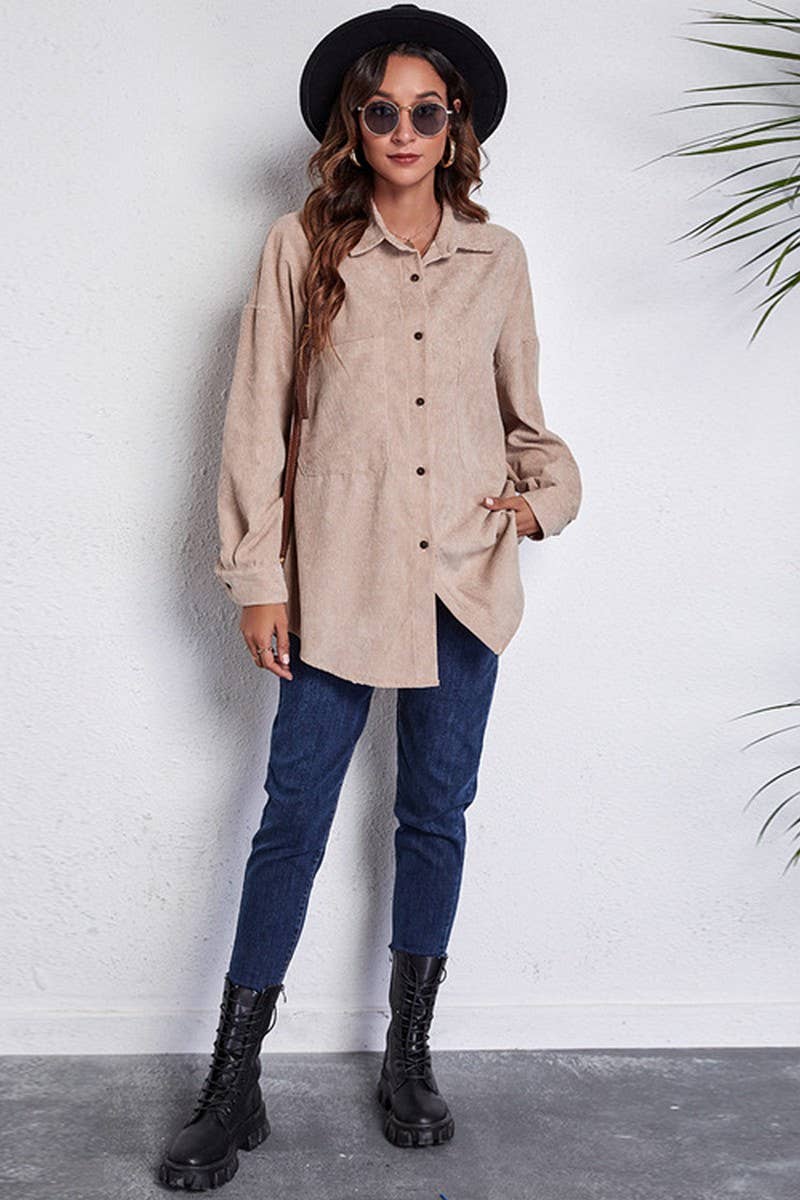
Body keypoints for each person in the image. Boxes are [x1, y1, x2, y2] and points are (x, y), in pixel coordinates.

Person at [158, 3, 582, 1189]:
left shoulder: (497, 260)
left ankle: (408, 1057)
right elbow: (255, 421)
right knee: (291, 819)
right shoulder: (300, 246)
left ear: (455, 129)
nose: (403, 129)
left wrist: (537, 503)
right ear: (354, 124)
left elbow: (527, 425)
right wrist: (258, 580)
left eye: (425, 112)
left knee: (433, 818)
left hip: (460, 584)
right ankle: (231, 1085)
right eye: (382, 110)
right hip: (334, 583)